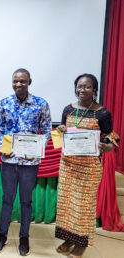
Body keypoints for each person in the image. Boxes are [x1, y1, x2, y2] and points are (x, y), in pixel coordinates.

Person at [54, 74, 119, 258]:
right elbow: (63, 130)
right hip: (68, 165)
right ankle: (69, 238)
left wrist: (107, 146)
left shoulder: (102, 113)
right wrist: (60, 129)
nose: (82, 90)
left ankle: (82, 244)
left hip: (89, 168)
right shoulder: (68, 109)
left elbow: (111, 136)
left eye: (87, 86)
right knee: (67, 205)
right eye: (79, 86)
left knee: (83, 207)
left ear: (94, 89)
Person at [0, 68, 51, 256]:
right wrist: (4, 148)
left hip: (30, 163)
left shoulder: (41, 104)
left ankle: (24, 238)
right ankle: (2, 236)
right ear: (12, 82)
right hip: (9, 161)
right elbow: (0, 130)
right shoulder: (4, 103)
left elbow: (47, 131)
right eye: (15, 81)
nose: (19, 84)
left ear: (29, 82)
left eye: (23, 81)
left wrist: (36, 151)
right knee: (7, 200)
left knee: (26, 202)